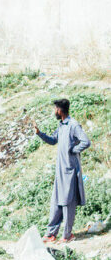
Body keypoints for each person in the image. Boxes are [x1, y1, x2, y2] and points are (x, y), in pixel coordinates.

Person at [33, 98, 91, 243]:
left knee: (67, 203)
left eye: (55, 109)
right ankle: (51, 234)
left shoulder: (73, 125)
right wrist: (39, 133)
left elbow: (86, 141)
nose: (54, 112)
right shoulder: (62, 126)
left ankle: (67, 235)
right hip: (60, 171)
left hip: (70, 170)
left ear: (60, 110)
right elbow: (53, 140)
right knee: (56, 202)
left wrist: (73, 150)